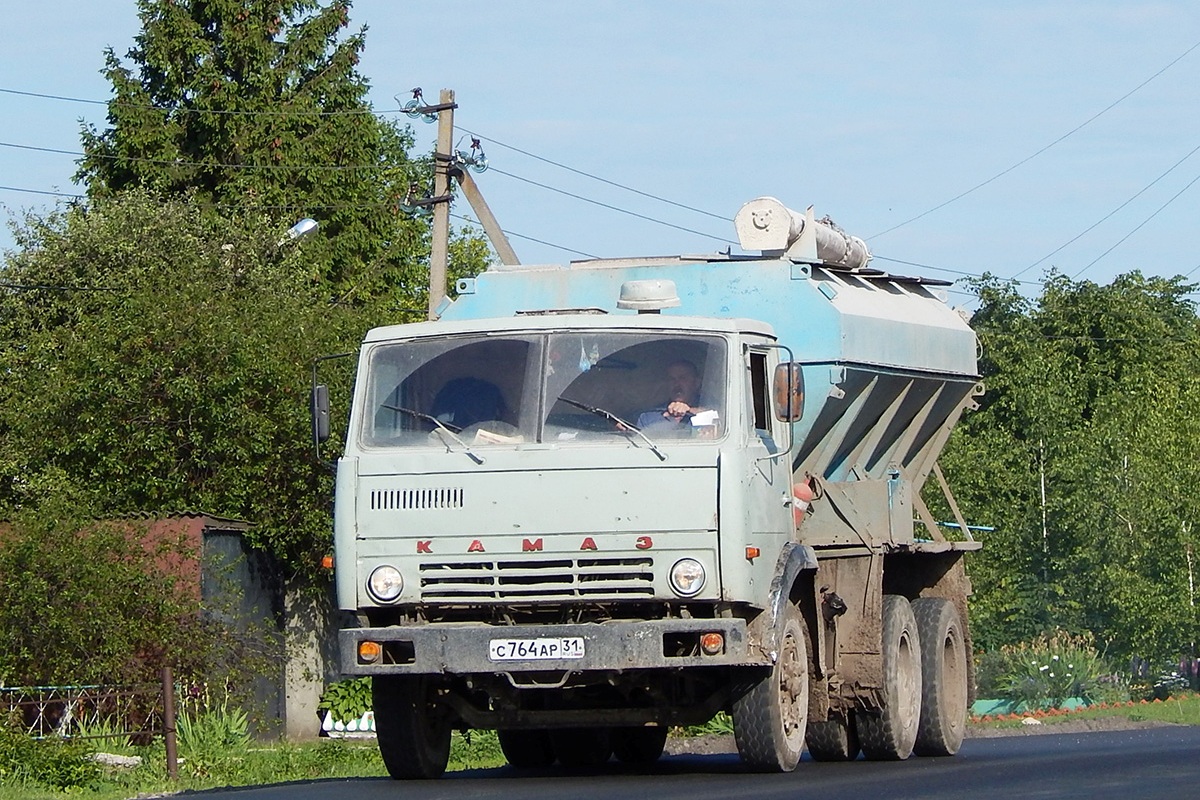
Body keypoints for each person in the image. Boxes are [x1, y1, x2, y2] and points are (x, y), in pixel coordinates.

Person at [637, 360, 716, 430]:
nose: (677, 383)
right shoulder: (648, 418)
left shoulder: (712, 409)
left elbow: (721, 419)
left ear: (696, 383)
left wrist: (689, 410)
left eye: (683, 378)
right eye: (672, 379)